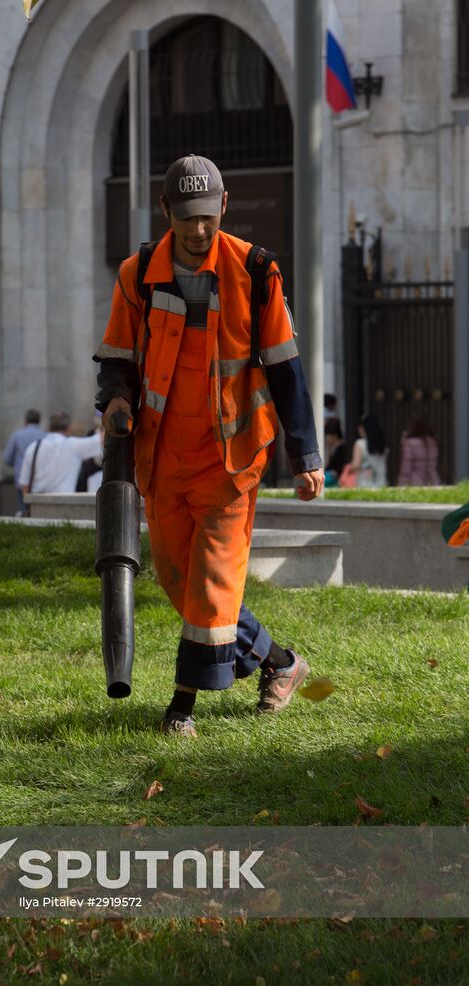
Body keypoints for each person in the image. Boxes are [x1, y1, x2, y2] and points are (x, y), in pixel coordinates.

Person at [94, 153, 324, 736]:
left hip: (231, 461)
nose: (199, 231)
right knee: (180, 582)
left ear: (224, 206)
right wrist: (116, 400)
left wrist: (306, 457)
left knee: (212, 585)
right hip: (161, 459)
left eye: (208, 217)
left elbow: (285, 369)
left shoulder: (256, 271)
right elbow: (117, 359)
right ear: (166, 210)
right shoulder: (136, 273)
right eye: (186, 218)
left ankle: (181, 708)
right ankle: (282, 663)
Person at [18, 412, 103, 496]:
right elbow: (101, 439)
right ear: (69, 428)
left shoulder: (33, 448)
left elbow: (24, 483)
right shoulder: (73, 446)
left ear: (49, 428)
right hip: (64, 502)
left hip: (37, 503)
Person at [3, 408, 47, 512]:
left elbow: (7, 458)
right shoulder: (45, 435)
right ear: (39, 420)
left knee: (24, 510)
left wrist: (18, 465)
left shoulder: (17, 435)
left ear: (25, 421)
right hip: (41, 480)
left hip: (21, 481)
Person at [397, 418, 441, 486]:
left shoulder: (410, 443)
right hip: (433, 481)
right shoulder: (432, 442)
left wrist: (401, 484)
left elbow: (406, 468)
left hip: (415, 482)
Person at [350, 413, 388, 487]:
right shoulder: (383, 444)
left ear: (362, 428)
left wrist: (350, 467)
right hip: (381, 483)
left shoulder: (360, 444)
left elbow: (356, 465)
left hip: (365, 484)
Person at [324, 417, 346, 486]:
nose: (326, 439)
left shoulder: (341, 449)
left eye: (327, 436)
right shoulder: (332, 448)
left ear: (335, 435)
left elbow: (336, 469)